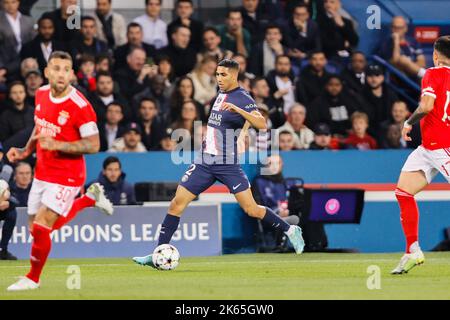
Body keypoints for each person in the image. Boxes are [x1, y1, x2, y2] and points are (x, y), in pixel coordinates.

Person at [132, 59, 305, 268]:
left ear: (234, 76)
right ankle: (157, 253)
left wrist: (240, 113)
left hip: (227, 164)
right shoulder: (220, 93)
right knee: (177, 204)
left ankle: (291, 230)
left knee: (251, 209)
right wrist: (239, 133)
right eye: (217, 74)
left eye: (223, 75)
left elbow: (262, 124)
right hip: (205, 161)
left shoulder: (242, 97)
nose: (219, 78)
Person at [5, 51, 113, 291]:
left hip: (68, 174)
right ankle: (89, 199)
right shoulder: (41, 94)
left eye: (66, 69)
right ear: (47, 72)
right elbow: (40, 126)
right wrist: (25, 150)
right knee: (35, 230)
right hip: (43, 170)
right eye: (56, 68)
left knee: (43, 224)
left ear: (72, 74)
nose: (61, 74)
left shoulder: (80, 106)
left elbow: (94, 144)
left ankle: (33, 278)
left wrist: (59, 145)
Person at [391, 36, 450, 274]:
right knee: (403, 192)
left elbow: (426, 106)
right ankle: (412, 249)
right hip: (428, 148)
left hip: (443, 147)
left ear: (435, 55)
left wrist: (408, 122)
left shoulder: (433, 74)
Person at [252, 154, 300, 251]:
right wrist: (277, 212)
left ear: (282, 165)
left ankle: (314, 245)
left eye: (277, 163)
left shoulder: (287, 183)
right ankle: (280, 245)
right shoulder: (258, 182)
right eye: (270, 163)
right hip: (268, 217)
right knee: (286, 218)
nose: (274, 166)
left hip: (288, 214)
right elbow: (257, 206)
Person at [0, 0, 35, 82]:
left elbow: (33, 41)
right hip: (5, 61)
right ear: (2, 3)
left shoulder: (28, 21)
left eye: (13, 2)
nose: (10, 5)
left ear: (18, 3)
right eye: (6, 2)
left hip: (26, 61)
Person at [361, 64, 399, 133]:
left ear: (382, 77)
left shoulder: (391, 94)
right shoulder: (361, 95)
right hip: (369, 132)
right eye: (370, 76)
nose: (374, 79)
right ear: (366, 78)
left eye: (377, 75)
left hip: (390, 131)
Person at [0, 177, 17, 260]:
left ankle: (3, 250)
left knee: (12, 214)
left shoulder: (3, 182)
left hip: (1, 209)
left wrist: (8, 203)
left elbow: (16, 200)